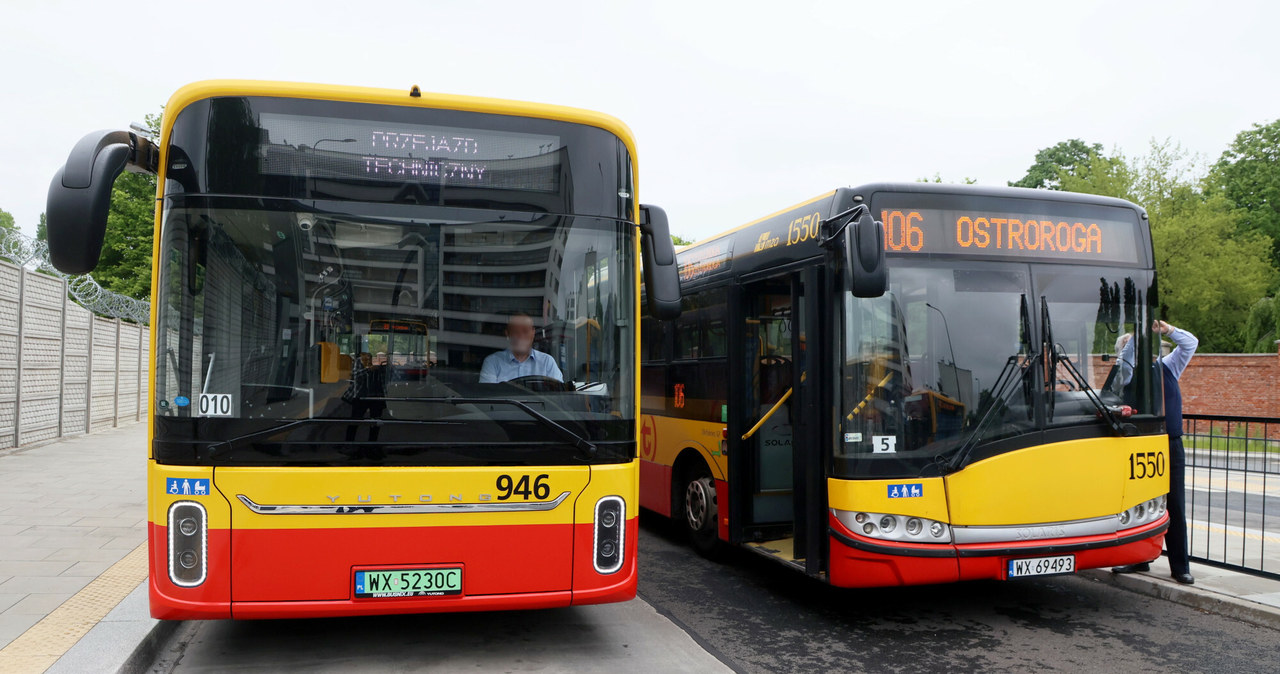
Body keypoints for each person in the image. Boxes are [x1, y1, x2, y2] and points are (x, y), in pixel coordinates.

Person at [1113, 319, 1198, 584]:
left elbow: (1190, 344)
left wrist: (1169, 330)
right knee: (1141, 503)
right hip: (1142, 444)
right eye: (1134, 345)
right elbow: (1126, 358)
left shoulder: (1168, 366)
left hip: (1170, 442)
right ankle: (1139, 558)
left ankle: (1180, 566)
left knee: (1175, 504)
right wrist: (1137, 335)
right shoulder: (1126, 373)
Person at [479, 312, 563, 384]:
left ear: (533, 333)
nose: (521, 336)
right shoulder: (493, 363)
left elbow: (557, 397)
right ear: (507, 334)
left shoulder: (547, 363)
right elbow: (488, 397)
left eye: (525, 331)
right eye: (515, 332)